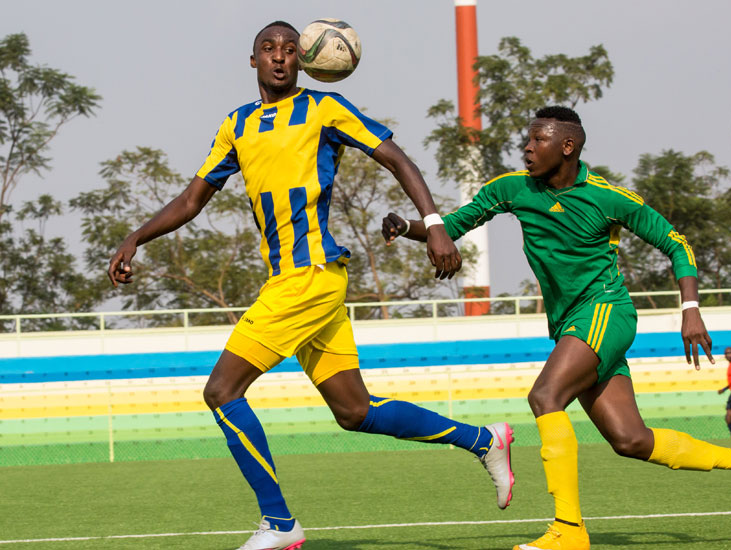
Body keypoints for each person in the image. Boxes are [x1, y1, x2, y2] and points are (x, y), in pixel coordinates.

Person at [107, 21, 514, 550]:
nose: (279, 57)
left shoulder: (326, 109)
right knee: (355, 412)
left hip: (311, 277)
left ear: (303, 60)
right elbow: (192, 200)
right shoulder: (237, 125)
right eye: (268, 49)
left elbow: (397, 157)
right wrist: (136, 236)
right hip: (295, 280)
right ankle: (484, 441)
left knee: (221, 391)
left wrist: (434, 225)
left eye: (290, 49)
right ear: (252, 61)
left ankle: (279, 523)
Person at [382, 106, 731, 550]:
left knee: (545, 396)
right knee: (631, 440)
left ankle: (568, 529)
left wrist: (691, 308)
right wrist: (409, 226)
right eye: (527, 139)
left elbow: (676, 243)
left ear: (567, 146)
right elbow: (453, 227)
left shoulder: (609, 197)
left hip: (605, 310)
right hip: (571, 324)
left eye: (537, 140)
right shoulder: (510, 189)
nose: (526, 147)